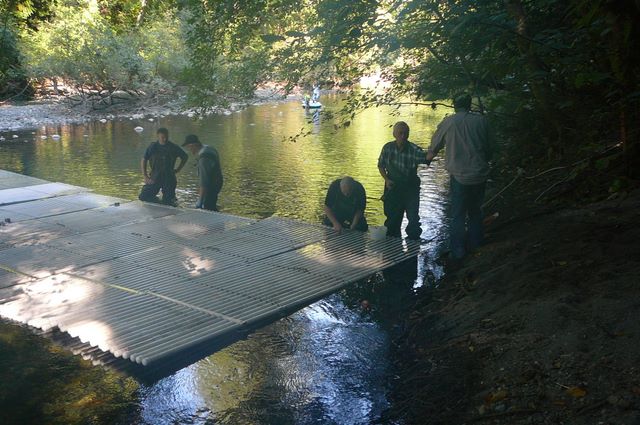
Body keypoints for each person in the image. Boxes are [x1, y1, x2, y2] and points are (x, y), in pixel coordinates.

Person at [427, 93, 493, 260]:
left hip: (459, 177)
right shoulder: (482, 121)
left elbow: (434, 147)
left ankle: (458, 252)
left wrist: (426, 159)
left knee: (458, 214)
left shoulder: (448, 122)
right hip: (479, 175)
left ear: (455, 106)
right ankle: (476, 246)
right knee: (475, 211)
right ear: (469, 105)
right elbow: (490, 150)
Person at [377, 121, 430, 239]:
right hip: (393, 187)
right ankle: (392, 243)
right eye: (400, 133)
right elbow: (381, 166)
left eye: (406, 133)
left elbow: (427, 158)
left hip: (410, 188)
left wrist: (434, 149)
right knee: (392, 219)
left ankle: (414, 243)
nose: (403, 136)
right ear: (394, 134)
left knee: (413, 219)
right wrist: (386, 179)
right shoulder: (387, 148)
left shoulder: (414, 149)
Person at [138, 128, 188, 205]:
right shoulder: (153, 147)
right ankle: (158, 202)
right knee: (143, 196)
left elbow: (185, 157)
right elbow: (144, 160)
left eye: (166, 137)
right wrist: (145, 176)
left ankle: (168, 202)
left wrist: (178, 169)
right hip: (155, 176)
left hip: (169, 177)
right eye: (162, 137)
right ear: (158, 136)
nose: (165, 139)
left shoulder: (173, 147)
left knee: (168, 201)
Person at [182, 134, 224, 211]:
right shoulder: (209, 148)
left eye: (189, 147)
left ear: (194, 145)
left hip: (211, 185)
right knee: (212, 203)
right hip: (218, 181)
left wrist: (200, 200)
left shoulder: (203, 158)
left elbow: (204, 181)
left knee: (208, 207)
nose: (189, 149)